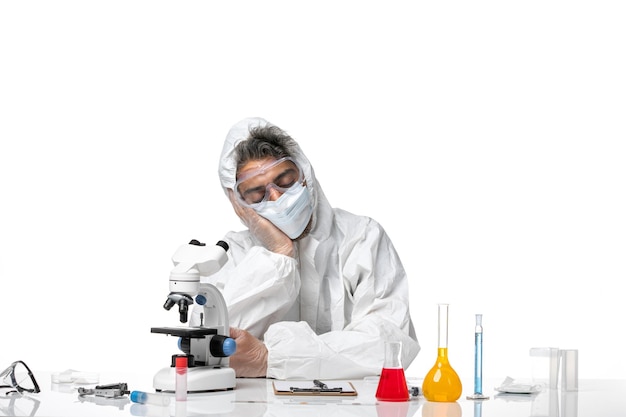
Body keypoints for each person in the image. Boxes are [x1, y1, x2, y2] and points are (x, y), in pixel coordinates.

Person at [196, 117, 419, 379]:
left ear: (305, 174)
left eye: (285, 179)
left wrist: (271, 359)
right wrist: (277, 254)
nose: (277, 198)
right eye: (257, 193)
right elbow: (216, 346)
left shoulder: (361, 238)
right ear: (240, 204)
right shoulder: (231, 255)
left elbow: (389, 345)